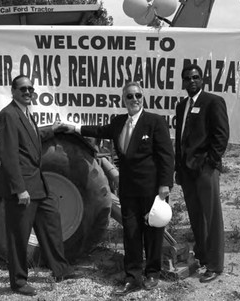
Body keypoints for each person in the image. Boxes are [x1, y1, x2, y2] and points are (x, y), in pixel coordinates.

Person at [62, 81, 174, 295]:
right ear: (123, 99)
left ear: (143, 98)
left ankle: (152, 273)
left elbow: (166, 156)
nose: (134, 99)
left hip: (152, 190)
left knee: (153, 233)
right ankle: (132, 276)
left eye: (138, 95)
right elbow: (99, 130)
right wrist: (73, 127)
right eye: (129, 96)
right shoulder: (119, 122)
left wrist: (165, 184)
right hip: (128, 190)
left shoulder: (155, 122)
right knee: (131, 233)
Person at [0, 75, 77, 296]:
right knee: (19, 235)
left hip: (38, 183)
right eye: (22, 88)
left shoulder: (25, 113)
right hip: (22, 186)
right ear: (13, 91)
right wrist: (19, 188)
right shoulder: (8, 115)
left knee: (51, 222)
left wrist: (53, 129)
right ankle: (19, 282)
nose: (27, 92)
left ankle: (60, 269)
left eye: (30, 88)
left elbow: (31, 138)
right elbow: (9, 154)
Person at [175, 64, 229, 283]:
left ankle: (215, 265)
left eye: (195, 77)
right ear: (183, 82)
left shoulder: (213, 101)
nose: (191, 81)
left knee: (211, 216)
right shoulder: (182, 106)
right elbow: (180, 139)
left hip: (205, 169)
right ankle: (203, 256)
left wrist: (211, 163)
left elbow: (221, 136)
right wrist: (179, 168)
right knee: (196, 217)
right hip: (187, 171)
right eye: (187, 78)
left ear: (202, 79)